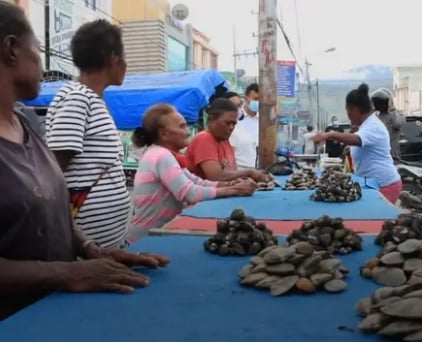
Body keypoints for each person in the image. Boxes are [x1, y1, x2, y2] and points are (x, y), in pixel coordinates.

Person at [0, 2, 169, 321]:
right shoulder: (76, 98)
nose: (41, 60)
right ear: (11, 49)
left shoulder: (24, 126)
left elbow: (52, 198)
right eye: (37, 47)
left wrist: (92, 250)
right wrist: (69, 273)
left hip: (55, 310)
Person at [45, 20, 131, 249]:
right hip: (87, 248)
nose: (126, 63)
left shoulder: (91, 100)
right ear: (113, 58)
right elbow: (51, 169)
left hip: (106, 244)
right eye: (124, 56)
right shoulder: (78, 98)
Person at [127, 104, 256, 243]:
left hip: (156, 233)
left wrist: (228, 184)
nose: (187, 132)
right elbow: (189, 192)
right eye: (182, 127)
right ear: (163, 133)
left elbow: (196, 181)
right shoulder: (160, 156)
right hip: (146, 240)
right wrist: (232, 190)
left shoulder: (166, 155)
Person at [312, 84, 402, 203]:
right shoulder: (367, 125)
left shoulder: (373, 125)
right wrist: (351, 149)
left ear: (354, 109)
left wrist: (330, 134)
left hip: (384, 185)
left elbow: (357, 139)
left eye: (348, 112)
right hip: (371, 184)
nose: (349, 117)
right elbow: (363, 144)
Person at [185, 98, 270, 182]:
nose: (231, 127)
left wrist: (256, 176)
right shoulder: (204, 139)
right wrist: (249, 173)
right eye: (227, 123)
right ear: (212, 120)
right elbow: (216, 177)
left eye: (233, 123)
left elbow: (230, 174)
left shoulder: (224, 141)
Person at [230, 84, 260, 168]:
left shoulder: (264, 120)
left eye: (261, 99)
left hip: (257, 165)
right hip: (238, 166)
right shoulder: (237, 117)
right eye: (256, 99)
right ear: (247, 99)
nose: (258, 102)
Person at [371, 88, 404, 159]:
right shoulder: (376, 115)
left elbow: (397, 124)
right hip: (378, 155)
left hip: (392, 155)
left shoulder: (398, 114)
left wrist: (391, 108)